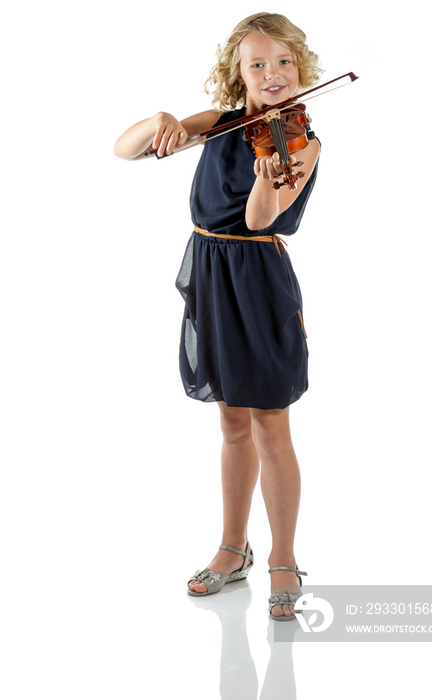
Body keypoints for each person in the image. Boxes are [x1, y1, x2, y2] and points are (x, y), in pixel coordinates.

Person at [114, 12, 322, 621]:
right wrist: (161, 123)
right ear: (237, 73)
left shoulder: (298, 141)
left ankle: (283, 555)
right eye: (256, 63)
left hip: (257, 281)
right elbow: (123, 150)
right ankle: (235, 548)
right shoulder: (225, 123)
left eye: (283, 62)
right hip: (209, 270)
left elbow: (261, 221)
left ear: (300, 67)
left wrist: (266, 178)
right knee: (232, 424)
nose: (272, 74)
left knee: (270, 426)